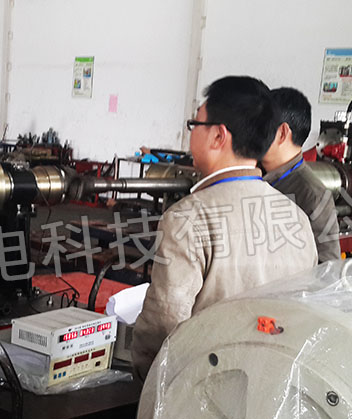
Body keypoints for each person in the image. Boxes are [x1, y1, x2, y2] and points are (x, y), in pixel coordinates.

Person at [130, 76, 318, 379]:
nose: (191, 134)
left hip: (202, 389)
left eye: (195, 124)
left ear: (218, 136)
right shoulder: (297, 219)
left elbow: (164, 325)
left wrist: (145, 382)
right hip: (272, 384)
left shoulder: (188, 219)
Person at [260, 87, 341, 262]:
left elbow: (327, 266)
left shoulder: (313, 195)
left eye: (260, 127)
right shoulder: (253, 174)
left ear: (282, 133)